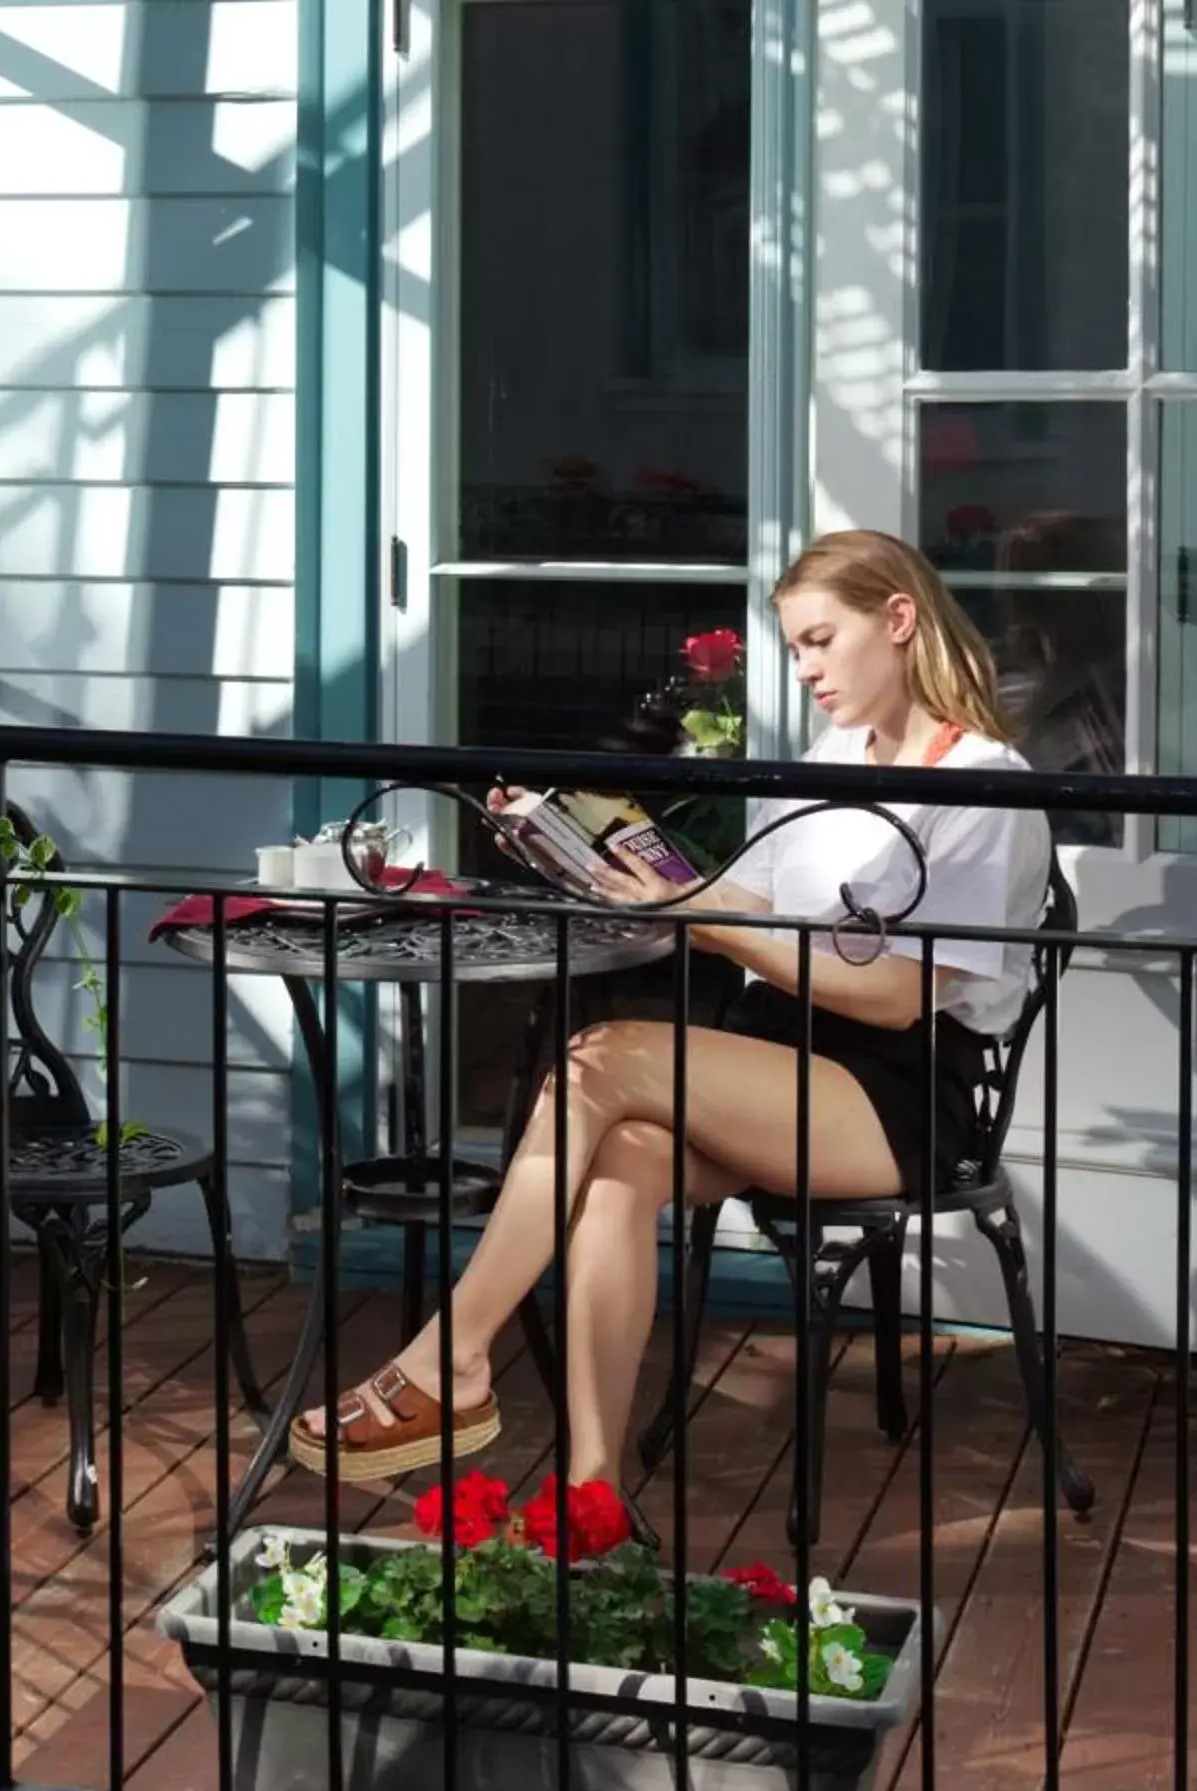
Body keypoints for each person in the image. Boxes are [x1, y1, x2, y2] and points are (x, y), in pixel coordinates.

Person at [286, 528, 1055, 1521]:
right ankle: (592, 1495)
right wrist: (631, 879)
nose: (809, 671)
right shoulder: (834, 758)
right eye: (796, 651)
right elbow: (747, 902)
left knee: (602, 1057)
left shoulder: (984, 789)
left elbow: (898, 997)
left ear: (899, 620)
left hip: (895, 1092)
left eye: (822, 641)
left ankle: (454, 1356)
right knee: (621, 1167)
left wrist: (712, 927)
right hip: (782, 1061)